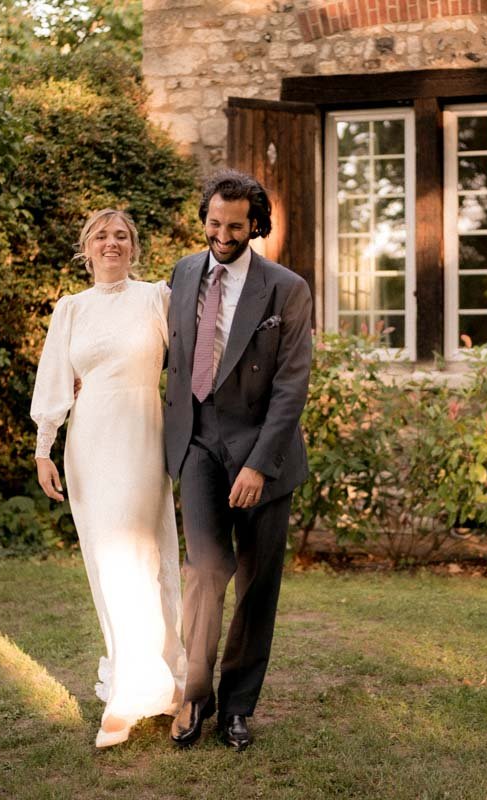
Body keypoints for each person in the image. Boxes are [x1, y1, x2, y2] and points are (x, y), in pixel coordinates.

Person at [164, 170, 313, 750]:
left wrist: (258, 465)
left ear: (256, 225)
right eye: (213, 223)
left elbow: (291, 385)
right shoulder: (180, 274)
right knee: (204, 570)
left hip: (261, 453)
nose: (221, 235)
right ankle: (194, 695)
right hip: (199, 445)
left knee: (256, 584)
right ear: (204, 219)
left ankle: (238, 706)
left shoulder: (286, 289)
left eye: (234, 225)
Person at [30, 209, 185, 749]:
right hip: (89, 441)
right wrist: (43, 449)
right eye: (102, 235)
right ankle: (138, 684)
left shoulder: (156, 298)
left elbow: (190, 363)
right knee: (106, 561)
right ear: (87, 248)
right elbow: (55, 380)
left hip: (142, 434)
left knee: (138, 556)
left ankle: (147, 686)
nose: (112, 242)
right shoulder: (70, 309)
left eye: (121, 235)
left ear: (133, 248)